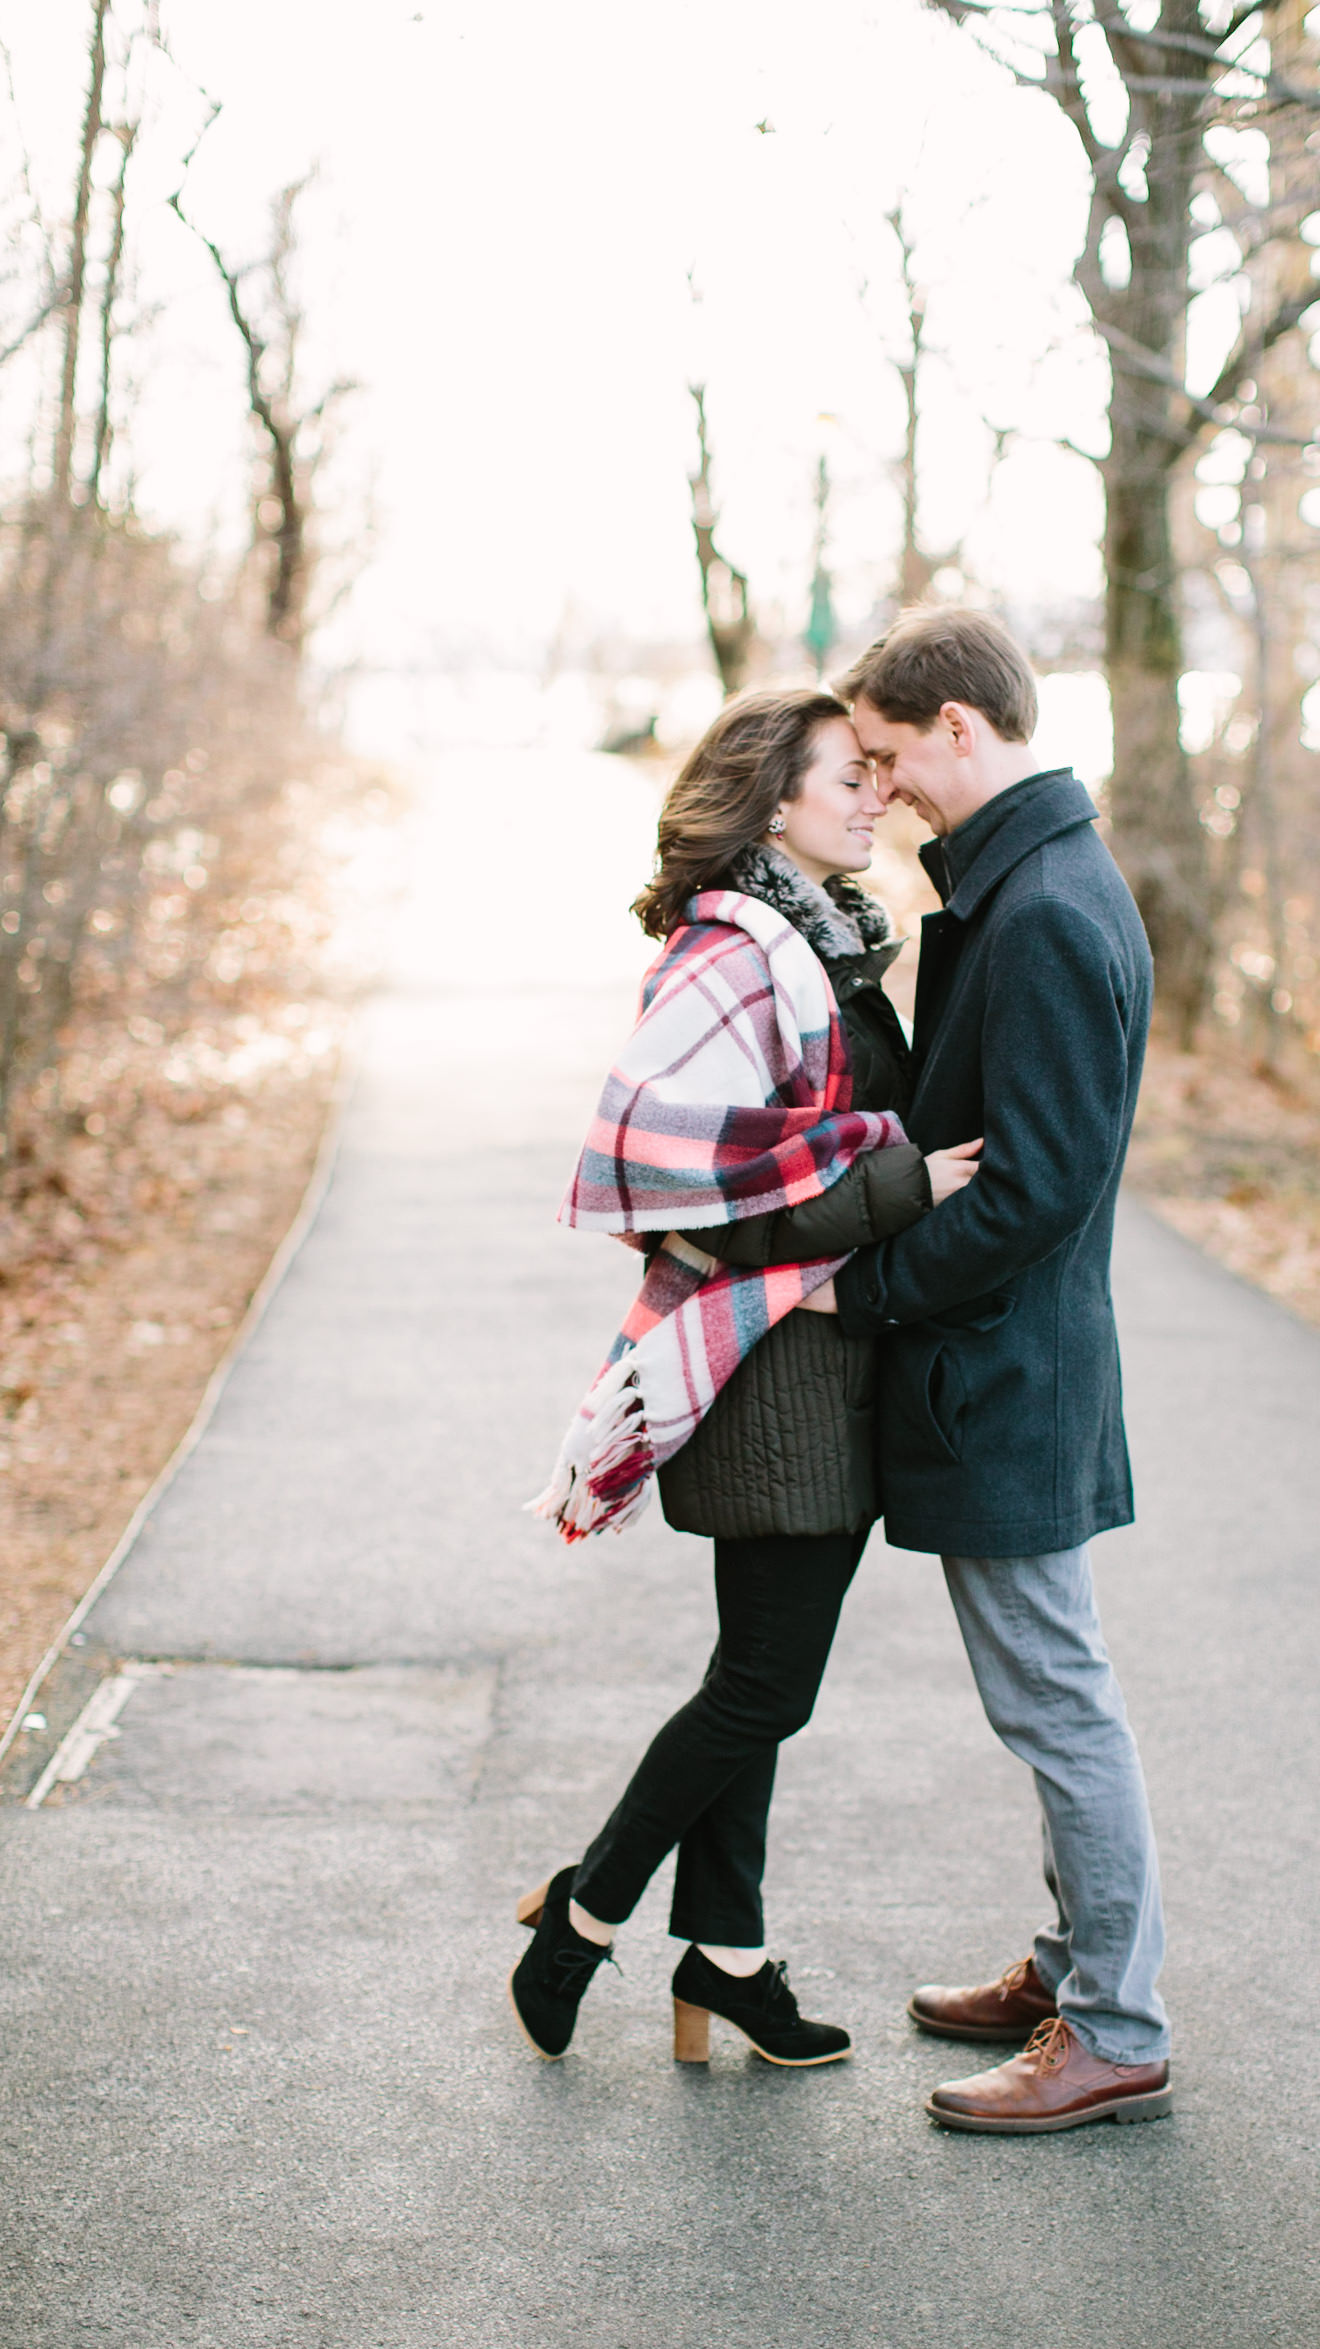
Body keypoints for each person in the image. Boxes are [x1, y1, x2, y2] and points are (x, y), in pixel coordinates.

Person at [519, 686, 981, 2071]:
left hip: (820, 1356)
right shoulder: (732, 952)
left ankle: (726, 1959)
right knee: (764, 1686)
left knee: (756, 1672)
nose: (874, 795)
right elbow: (688, 1199)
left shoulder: (820, 941)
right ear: (772, 796)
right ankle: (585, 1911)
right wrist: (896, 1186)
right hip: (770, 1364)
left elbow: (795, 1144)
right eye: (847, 774)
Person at [810, 607, 1173, 2134]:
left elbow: (1032, 1192)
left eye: (887, 756)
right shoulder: (1024, 887)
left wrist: (869, 1282)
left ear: (962, 725)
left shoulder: (1041, 914)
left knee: (1057, 1702)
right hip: (1009, 1369)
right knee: (1049, 1690)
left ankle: (1114, 2022)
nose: (878, 789)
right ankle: (1071, 1961)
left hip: (1005, 1376)